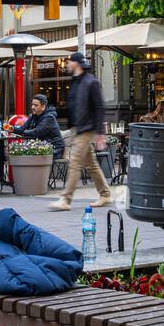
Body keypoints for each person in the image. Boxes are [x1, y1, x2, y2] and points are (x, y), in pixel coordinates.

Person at [50, 51, 112, 212]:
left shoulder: (91, 82)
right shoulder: (77, 82)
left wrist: (100, 133)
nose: (67, 64)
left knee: (75, 162)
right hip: (78, 128)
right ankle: (105, 194)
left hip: (87, 128)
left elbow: (99, 108)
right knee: (91, 164)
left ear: (76, 63)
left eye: (69, 62)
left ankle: (66, 199)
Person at [21, 93, 66, 159]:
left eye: (35, 105)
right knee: (22, 154)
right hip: (41, 146)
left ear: (43, 107)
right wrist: (12, 129)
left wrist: (24, 132)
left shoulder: (49, 117)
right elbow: (22, 128)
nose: (32, 107)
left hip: (54, 148)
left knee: (28, 156)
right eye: (32, 104)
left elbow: (37, 132)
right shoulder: (32, 116)